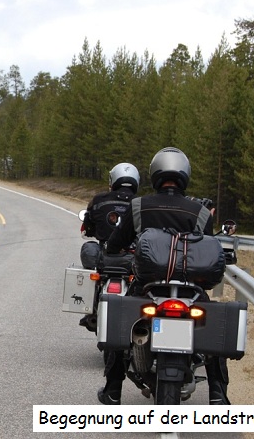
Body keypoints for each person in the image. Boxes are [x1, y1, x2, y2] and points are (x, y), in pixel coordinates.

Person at [97, 147, 230, 406]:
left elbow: (114, 245)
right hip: (192, 290)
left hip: (148, 286)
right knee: (213, 330)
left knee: (123, 323)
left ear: (155, 173)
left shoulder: (138, 207)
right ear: (185, 175)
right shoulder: (200, 212)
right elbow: (208, 245)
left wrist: (116, 250)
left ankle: (113, 389)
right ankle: (218, 393)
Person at [78, 163, 139, 331]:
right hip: (131, 258)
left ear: (113, 180)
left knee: (90, 252)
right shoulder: (141, 204)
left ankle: (91, 308)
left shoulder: (98, 201)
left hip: (106, 257)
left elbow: (88, 226)